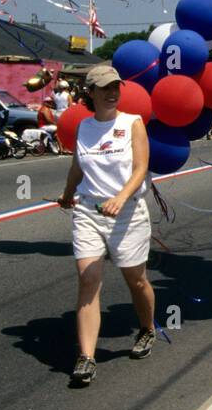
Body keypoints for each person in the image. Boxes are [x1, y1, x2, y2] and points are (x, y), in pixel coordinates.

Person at [55, 64, 156, 387]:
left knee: (135, 279)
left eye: (115, 87)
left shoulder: (132, 124)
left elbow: (141, 168)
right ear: (91, 93)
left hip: (127, 214)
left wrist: (121, 198)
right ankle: (86, 357)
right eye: (104, 88)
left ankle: (147, 328)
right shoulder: (84, 127)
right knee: (89, 279)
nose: (112, 93)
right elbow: (77, 167)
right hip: (88, 212)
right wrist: (68, 194)